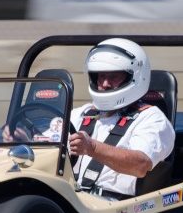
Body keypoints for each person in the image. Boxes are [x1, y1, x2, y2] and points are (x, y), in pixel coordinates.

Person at [69, 38, 174, 200]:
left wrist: (92, 148)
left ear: (133, 77)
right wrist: (21, 139)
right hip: (69, 198)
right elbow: (49, 142)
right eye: (101, 75)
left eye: (113, 77)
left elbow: (141, 165)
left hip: (115, 208)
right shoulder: (80, 114)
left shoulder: (152, 118)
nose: (105, 83)